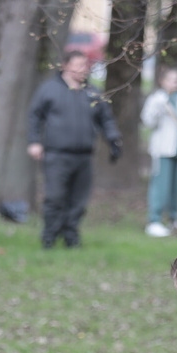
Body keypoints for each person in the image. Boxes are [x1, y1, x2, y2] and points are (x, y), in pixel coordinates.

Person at [27, 50, 122, 249]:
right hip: (56, 154)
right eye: (78, 65)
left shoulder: (92, 92)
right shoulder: (49, 89)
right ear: (65, 65)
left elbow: (105, 118)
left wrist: (113, 139)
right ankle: (49, 237)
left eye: (85, 65)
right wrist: (34, 141)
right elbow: (34, 117)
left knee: (78, 200)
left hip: (84, 156)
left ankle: (71, 236)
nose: (82, 69)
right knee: (55, 197)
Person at [140, 66, 177, 237]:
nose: (175, 83)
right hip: (163, 149)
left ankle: (174, 218)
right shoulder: (157, 99)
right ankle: (154, 220)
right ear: (162, 81)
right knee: (161, 186)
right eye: (172, 80)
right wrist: (158, 110)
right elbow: (148, 122)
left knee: (176, 186)